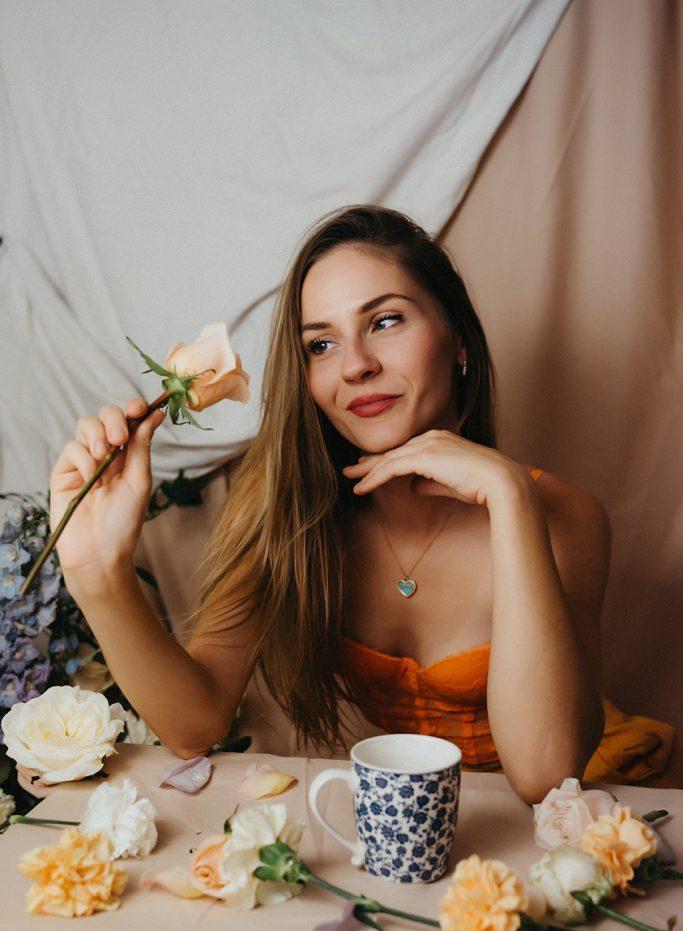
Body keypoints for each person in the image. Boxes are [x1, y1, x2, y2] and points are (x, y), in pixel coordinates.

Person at [48, 205, 679, 804]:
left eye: (385, 321)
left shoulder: (567, 516)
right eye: (320, 345)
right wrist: (97, 574)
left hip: (547, 827)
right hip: (402, 829)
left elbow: (545, 776)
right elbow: (194, 722)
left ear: (458, 339)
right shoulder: (291, 510)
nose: (355, 366)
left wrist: (510, 497)